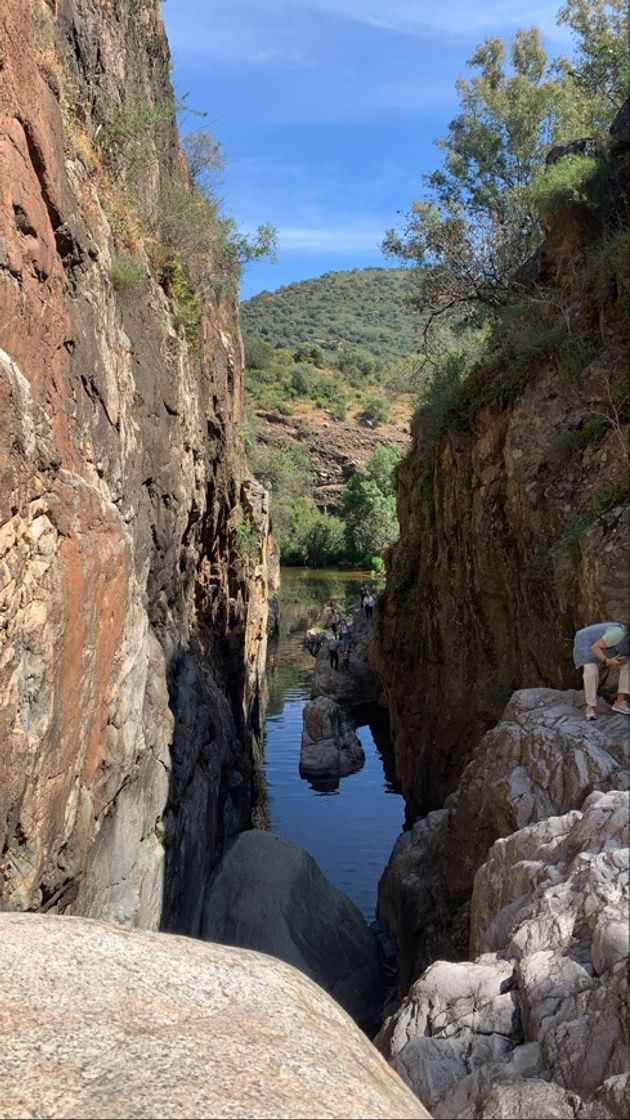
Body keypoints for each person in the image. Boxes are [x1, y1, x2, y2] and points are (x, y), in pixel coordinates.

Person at [573, 621, 629, 720]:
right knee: (592, 673)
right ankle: (590, 708)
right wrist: (607, 661)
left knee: (627, 663)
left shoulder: (626, 640)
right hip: (586, 642)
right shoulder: (618, 634)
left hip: (603, 645)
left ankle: (620, 702)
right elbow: (595, 647)